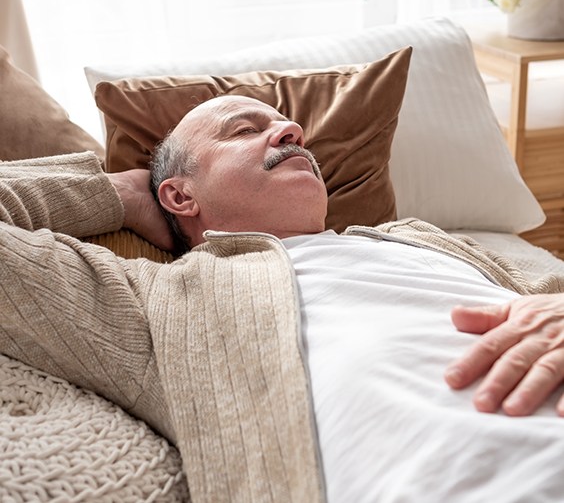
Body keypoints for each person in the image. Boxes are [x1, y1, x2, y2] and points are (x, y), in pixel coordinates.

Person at [1, 94, 564, 502]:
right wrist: (116, 193)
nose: (292, 129)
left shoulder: (420, 238)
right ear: (179, 194)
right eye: (243, 131)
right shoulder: (164, 303)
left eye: (287, 125)